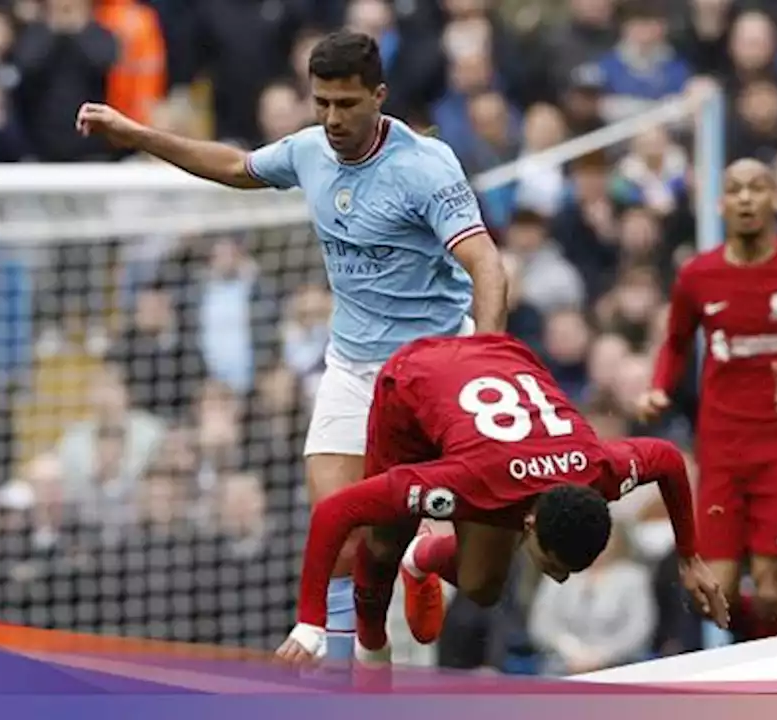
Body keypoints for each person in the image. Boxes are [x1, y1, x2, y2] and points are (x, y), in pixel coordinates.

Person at [76, 31, 508, 658]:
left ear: (379, 97)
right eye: (322, 102)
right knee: (340, 542)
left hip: (438, 369)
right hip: (355, 370)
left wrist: (487, 358)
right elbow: (233, 166)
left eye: (347, 104)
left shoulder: (426, 166)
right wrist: (138, 134)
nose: (332, 118)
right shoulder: (310, 151)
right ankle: (353, 683)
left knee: (482, 578)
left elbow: (487, 266)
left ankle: (424, 561)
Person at [273, 334, 728, 667]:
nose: (563, 578)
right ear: (530, 524)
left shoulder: (601, 470)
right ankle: (372, 650)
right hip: (413, 379)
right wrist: (309, 621)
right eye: (556, 565)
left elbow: (667, 459)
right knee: (382, 542)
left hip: (502, 361)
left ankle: (424, 557)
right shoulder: (462, 483)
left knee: (483, 588)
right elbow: (338, 511)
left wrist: (690, 557)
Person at [635, 158, 777, 641]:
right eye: (735, 189)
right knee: (717, 592)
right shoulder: (697, 275)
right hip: (721, 450)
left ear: (776, 199)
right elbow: (675, 343)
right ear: (721, 203)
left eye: (757, 188)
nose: (746, 198)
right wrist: (659, 387)